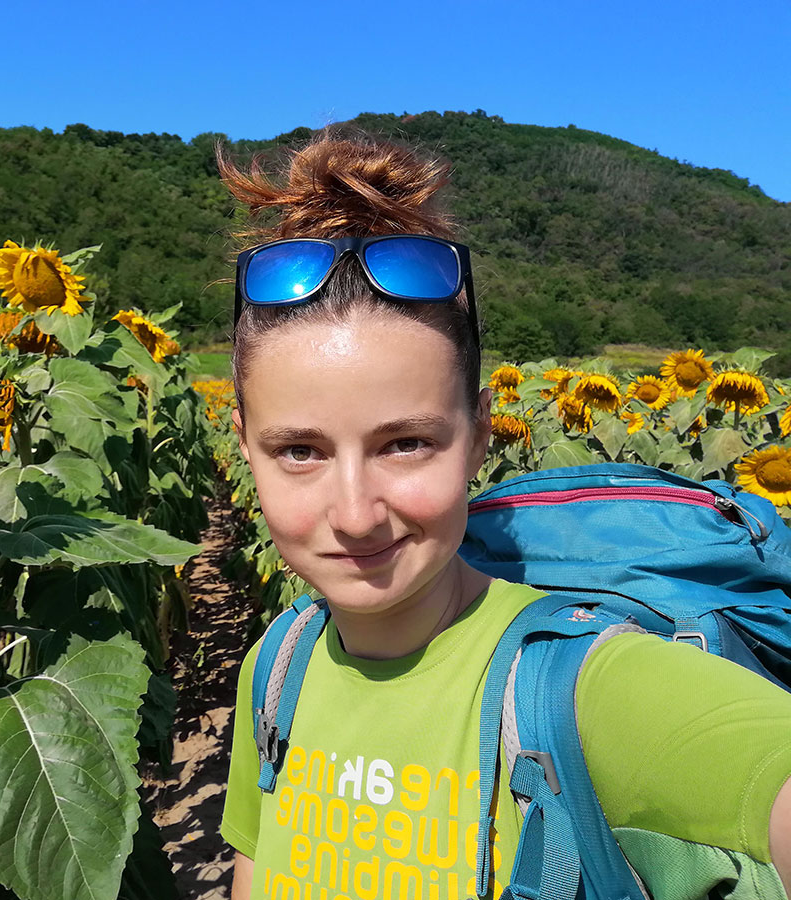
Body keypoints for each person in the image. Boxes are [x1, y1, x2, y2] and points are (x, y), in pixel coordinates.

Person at [216, 129, 791, 900]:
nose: (354, 514)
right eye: (299, 452)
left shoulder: (584, 687)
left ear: (481, 436)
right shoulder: (279, 667)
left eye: (406, 443)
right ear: (245, 446)